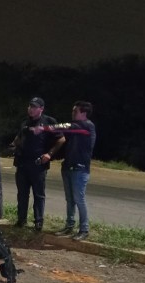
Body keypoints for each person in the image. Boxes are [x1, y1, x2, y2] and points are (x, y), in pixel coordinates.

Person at [30, 100, 96, 241]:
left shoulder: (87, 126)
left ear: (84, 113)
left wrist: (44, 128)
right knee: (70, 199)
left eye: (75, 111)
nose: (72, 113)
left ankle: (84, 229)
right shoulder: (76, 126)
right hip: (68, 168)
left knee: (79, 199)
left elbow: (66, 127)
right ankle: (69, 226)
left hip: (80, 169)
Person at [10, 97, 65, 231]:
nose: (31, 109)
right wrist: (13, 145)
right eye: (30, 106)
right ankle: (21, 220)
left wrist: (49, 154)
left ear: (41, 109)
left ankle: (38, 222)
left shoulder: (49, 122)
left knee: (38, 195)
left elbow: (61, 139)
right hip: (22, 163)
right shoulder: (25, 122)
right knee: (22, 194)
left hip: (38, 165)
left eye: (34, 107)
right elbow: (19, 137)